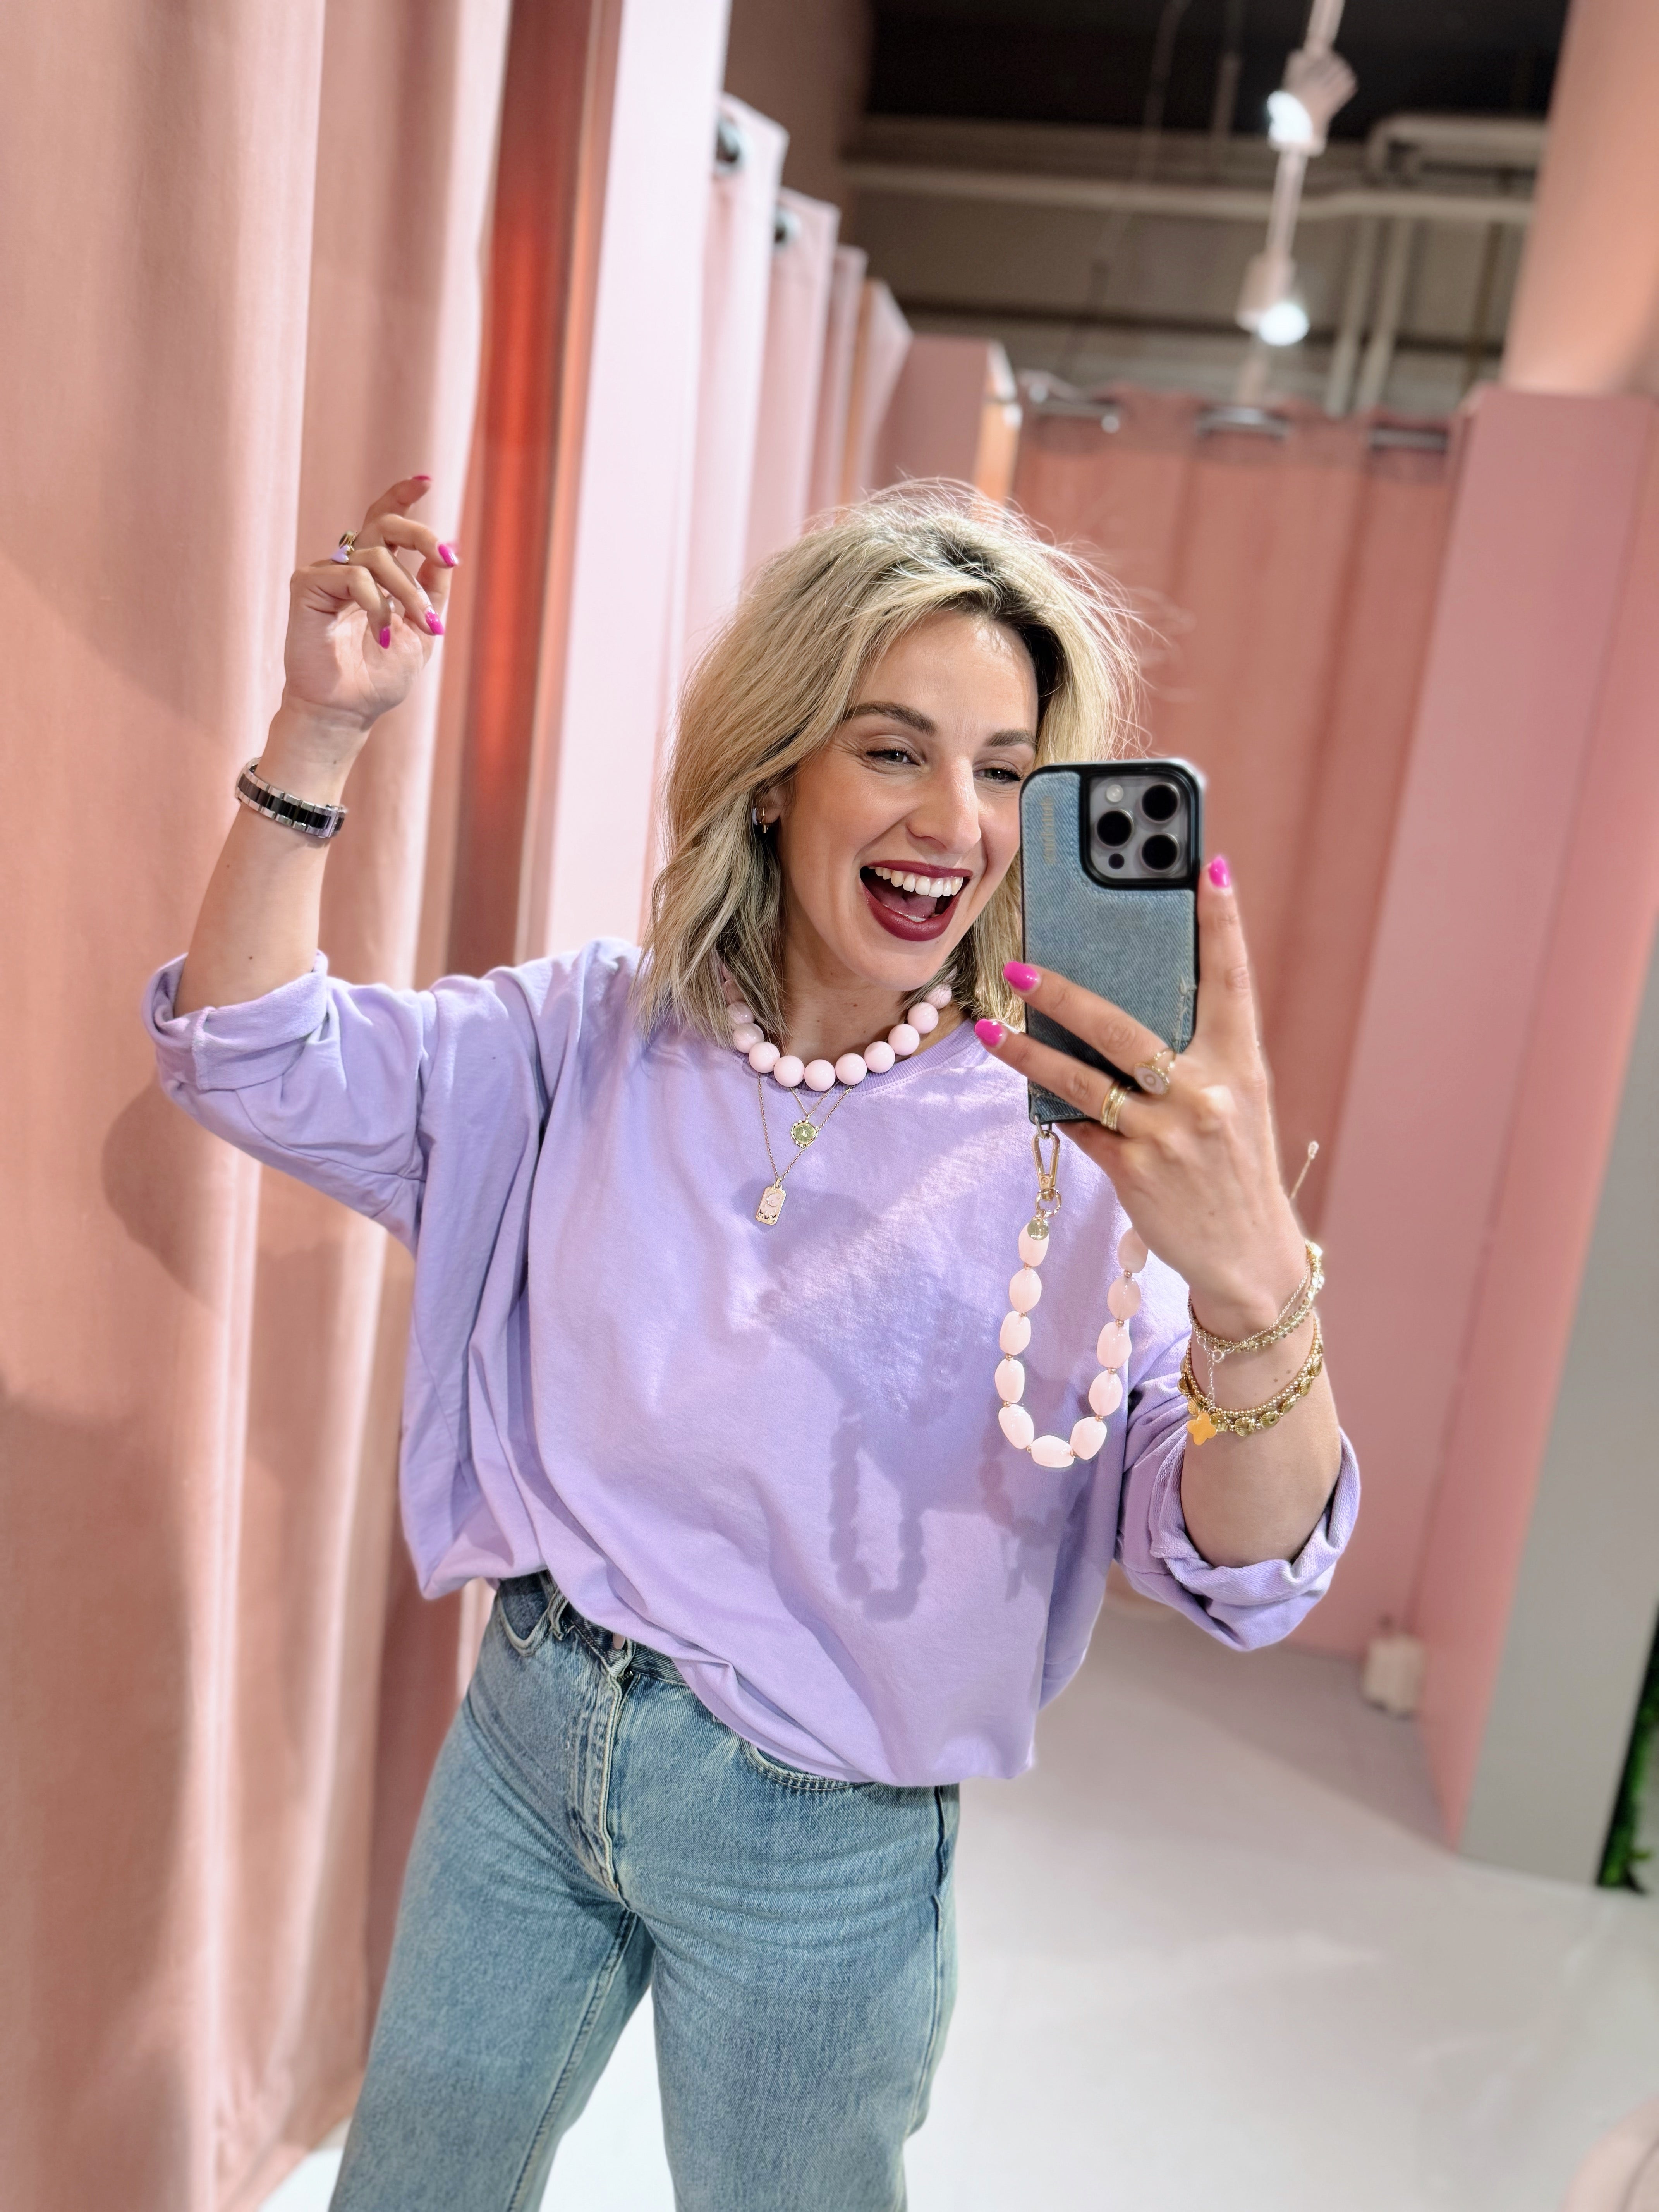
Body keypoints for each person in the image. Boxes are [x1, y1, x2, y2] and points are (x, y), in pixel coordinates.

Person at [146, 475, 1358, 2212]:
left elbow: (1241, 1564)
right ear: (778, 769)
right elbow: (253, 1053)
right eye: (894, 749)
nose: (955, 820)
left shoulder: (1079, 1143)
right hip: (531, 1744)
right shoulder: (591, 1033)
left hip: (823, 1844)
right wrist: (321, 728)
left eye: (1006, 770)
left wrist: (1255, 1294)